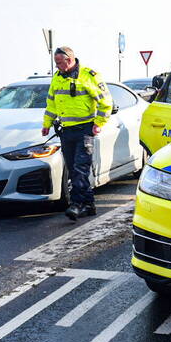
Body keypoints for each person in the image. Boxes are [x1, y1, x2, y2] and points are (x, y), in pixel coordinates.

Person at [42, 46, 113, 220]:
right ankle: (89, 205)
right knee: (74, 170)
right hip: (66, 131)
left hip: (85, 131)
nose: (57, 66)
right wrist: (47, 124)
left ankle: (77, 204)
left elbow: (106, 102)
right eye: (56, 63)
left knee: (80, 168)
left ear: (69, 60)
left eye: (59, 62)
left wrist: (99, 123)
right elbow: (51, 104)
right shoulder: (57, 78)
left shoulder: (89, 76)